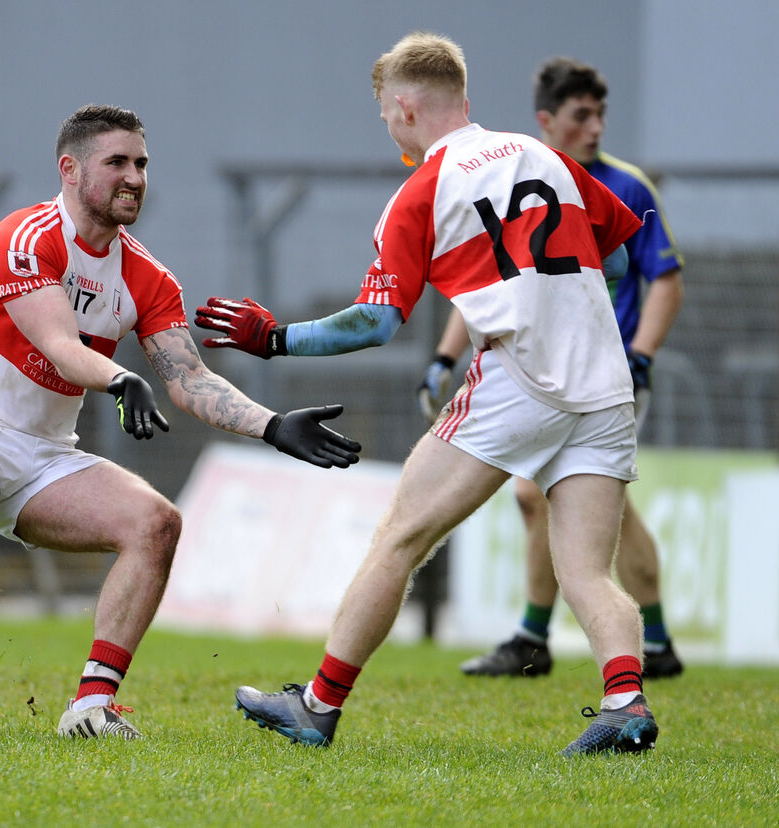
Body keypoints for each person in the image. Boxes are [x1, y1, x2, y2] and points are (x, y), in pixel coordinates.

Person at [0, 104, 361, 741]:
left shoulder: (148, 277)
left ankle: (92, 709)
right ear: (69, 170)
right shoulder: (25, 237)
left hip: (45, 454)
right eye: (117, 162)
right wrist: (119, 378)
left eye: (142, 164)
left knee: (156, 524)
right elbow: (59, 346)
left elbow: (189, 379)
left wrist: (272, 425)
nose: (135, 177)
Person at [196, 32, 658, 755]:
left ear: (405, 108)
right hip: (604, 383)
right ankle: (625, 702)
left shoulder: (422, 191)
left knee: (400, 538)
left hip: (520, 379)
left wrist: (274, 338)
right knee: (586, 571)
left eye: (386, 114)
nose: (388, 127)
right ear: (463, 98)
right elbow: (622, 261)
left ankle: (317, 706)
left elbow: (374, 322)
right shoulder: (543, 157)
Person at [418, 57, 685, 681]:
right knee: (581, 503)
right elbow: (490, 282)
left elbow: (666, 281)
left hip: (603, 374)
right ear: (546, 119)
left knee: (545, 494)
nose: (596, 127)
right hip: (542, 372)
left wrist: (642, 356)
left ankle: (536, 638)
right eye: (581, 115)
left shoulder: (628, 187)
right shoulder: (523, 175)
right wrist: (444, 357)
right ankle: (645, 641)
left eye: (601, 115)